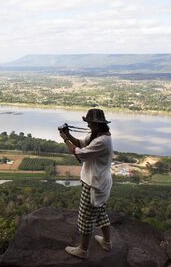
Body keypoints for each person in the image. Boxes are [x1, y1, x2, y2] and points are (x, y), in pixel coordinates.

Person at [59, 108, 113, 259]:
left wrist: (65, 139)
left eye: (89, 122)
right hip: (98, 182)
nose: (88, 125)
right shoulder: (97, 135)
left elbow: (79, 153)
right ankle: (107, 242)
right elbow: (81, 144)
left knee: (85, 218)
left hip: (94, 184)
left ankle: (83, 250)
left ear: (96, 124)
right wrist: (68, 134)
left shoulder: (101, 141)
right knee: (101, 213)